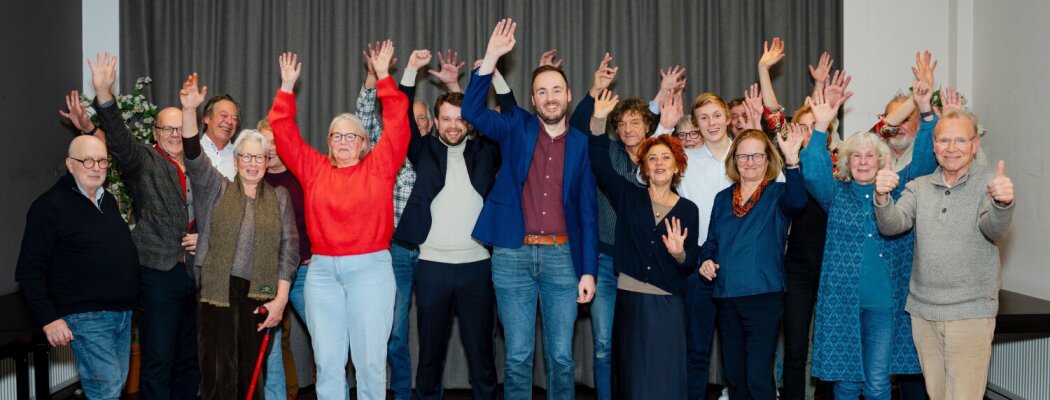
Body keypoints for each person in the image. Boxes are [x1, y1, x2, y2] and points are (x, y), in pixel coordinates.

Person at [462, 19, 598, 400]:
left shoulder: (583, 145)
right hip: (512, 255)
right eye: (542, 92)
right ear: (533, 99)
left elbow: (587, 213)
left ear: (568, 95)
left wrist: (588, 270)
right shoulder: (515, 127)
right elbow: (472, 110)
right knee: (518, 357)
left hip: (562, 259)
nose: (550, 97)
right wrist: (490, 58)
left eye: (556, 90)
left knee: (561, 358)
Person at [267, 45, 409, 400]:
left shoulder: (380, 166)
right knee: (328, 364)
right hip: (322, 275)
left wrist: (385, 78)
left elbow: (397, 124)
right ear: (328, 143)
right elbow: (283, 132)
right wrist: (286, 87)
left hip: (371, 271)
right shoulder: (314, 169)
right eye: (336, 135)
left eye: (351, 136)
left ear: (364, 144)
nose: (343, 141)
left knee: (370, 363)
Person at [802, 81, 940, 399]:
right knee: (846, 383)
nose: (863, 162)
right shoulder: (835, 194)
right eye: (856, 157)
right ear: (846, 163)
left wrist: (925, 112)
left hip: (885, 305)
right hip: (842, 304)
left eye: (869, 156)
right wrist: (820, 126)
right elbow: (811, 172)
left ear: (881, 161)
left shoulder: (900, 189)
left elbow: (924, 161)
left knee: (878, 382)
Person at [82, 52, 201, 400]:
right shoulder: (144, 161)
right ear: (155, 131)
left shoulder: (198, 164)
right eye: (168, 128)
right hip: (158, 275)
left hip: (195, 274)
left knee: (189, 360)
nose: (176, 134)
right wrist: (105, 94)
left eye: (181, 128)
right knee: (159, 360)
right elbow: (118, 140)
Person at [874, 109, 1014, 400]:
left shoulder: (991, 184)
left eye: (961, 140)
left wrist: (1003, 203)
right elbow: (892, 225)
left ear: (975, 145)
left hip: (971, 312)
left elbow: (994, 231)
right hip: (924, 314)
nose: (951, 149)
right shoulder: (918, 187)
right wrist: (882, 198)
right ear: (934, 145)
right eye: (944, 140)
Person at [179, 73, 298, 399]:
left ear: (265, 161)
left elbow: (289, 249)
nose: (251, 162)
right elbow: (192, 155)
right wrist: (189, 111)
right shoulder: (215, 187)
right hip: (217, 288)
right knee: (218, 372)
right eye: (245, 156)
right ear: (236, 159)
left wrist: (281, 298)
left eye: (258, 156)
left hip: (260, 293)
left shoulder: (279, 198)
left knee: (250, 377)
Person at [394, 48, 502, 400]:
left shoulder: (485, 151)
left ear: (469, 121)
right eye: (446, 119)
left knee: (483, 357)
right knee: (429, 357)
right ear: (436, 121)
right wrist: (410, 70)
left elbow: (508, 117)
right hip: (432, 269)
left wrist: (490, 71)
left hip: (477, 269)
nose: (453, 125)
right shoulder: (421, 150)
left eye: (460, 118)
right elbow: (401, 116)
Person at [589, 89, 700, 399]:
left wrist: (679, 254)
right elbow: (599, 161)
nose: (659, 163)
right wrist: (598, 119)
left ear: (677, 166)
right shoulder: (628, 196)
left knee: (664, 373)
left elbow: (690, 261)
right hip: (630, 298)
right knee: (632, 374)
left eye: (666, 157)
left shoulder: (688, 209)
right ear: (644, 168)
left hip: (668, 301)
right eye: (653, 159)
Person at [16, 135, 140, 399]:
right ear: (70, 165)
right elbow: (28, 270)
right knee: (105, 390)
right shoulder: (49, 206)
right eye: (87, 161)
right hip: (86, 317)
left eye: (102, 161)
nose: (96, 167)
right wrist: (49, 318)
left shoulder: (107, 200)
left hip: (122, 315)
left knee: (114, 386)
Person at [698, 127, 808, 400]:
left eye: (757, 156)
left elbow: (798, 203)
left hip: (764, 295)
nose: (749, 162)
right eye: (743, 156)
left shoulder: (779, 193)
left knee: (758, 377)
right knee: (735, 377)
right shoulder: (722, 199)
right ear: (734, 160)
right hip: (726, 295)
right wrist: (706, 260)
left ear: (769, 160)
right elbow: (712, 242)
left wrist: (792, 160)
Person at [258, 119, 308, 399]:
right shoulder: (253, 178)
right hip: (268, 274)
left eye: (276, 142)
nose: (271, 148)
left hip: (304, 271)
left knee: (326, 339)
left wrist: (314, 252)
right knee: (272, 344)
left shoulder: (302, 174)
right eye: (265, 142)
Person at [199, 93, 241, 180]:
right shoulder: (190, 152)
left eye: (234, 118)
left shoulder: (241, 157)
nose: (229, 122)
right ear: (207, 118)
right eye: (224, 115)